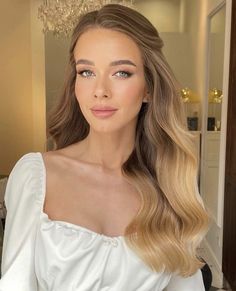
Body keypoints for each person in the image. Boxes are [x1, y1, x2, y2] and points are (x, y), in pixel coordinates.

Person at [0, 3, 209, 291]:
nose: (100, 90)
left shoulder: (171, 185)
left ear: (148, 87)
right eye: (86, 72)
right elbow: (14, 284)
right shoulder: (36, 177)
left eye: (121, 73)